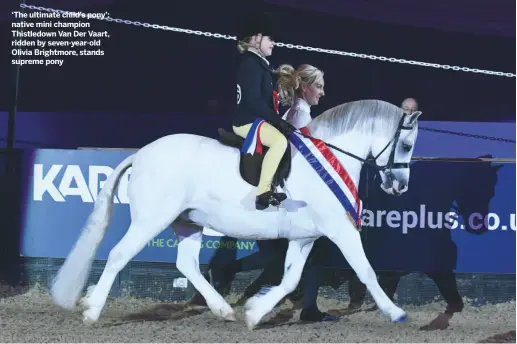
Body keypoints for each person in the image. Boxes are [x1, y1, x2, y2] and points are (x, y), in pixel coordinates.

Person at [233, 11, 296, 210]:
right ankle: (262, 192)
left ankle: (276, 183)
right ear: (255, 39)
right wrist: (277, 121)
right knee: (279, 141)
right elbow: (253, 102)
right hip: (247, 122)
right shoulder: (250, 65)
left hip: (257, 120)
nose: (273, 43)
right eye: (270, 39)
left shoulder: (261, 65)